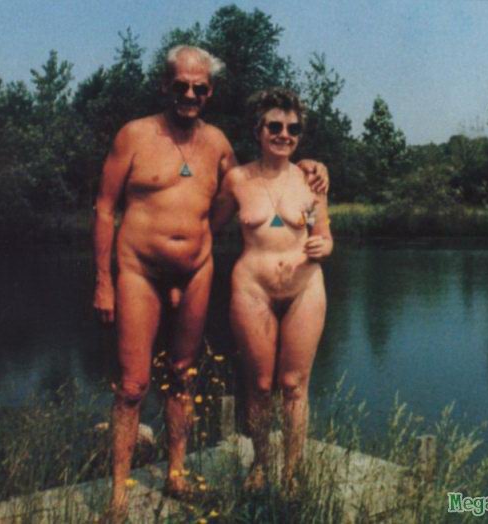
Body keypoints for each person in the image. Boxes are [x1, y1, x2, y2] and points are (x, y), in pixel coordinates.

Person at [92, 46, 327, 520]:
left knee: (183, 372)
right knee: (133, 385)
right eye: (181, 85)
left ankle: (177, 475)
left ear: (210, 92)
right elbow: (104, 208)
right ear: (166, 85)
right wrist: (103, 281)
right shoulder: (134, 135)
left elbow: (260, 180)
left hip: (196, 271)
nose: (190, 94)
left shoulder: (218, 144)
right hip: (138, 269)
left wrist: (311, 166)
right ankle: (117, 497)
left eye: (199, 88)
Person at [211, 88, 333, 492]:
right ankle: (261, 464)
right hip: (253, 290)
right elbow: (206, 229)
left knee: (294, 385)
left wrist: (324, 246)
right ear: (258, 130)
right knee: (260, 385)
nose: (284, 135)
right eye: (275, 126)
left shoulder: (312, 180)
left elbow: (324, 234)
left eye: (293, 129)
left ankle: (292, 472)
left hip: (305, 288)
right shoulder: (236, 180)